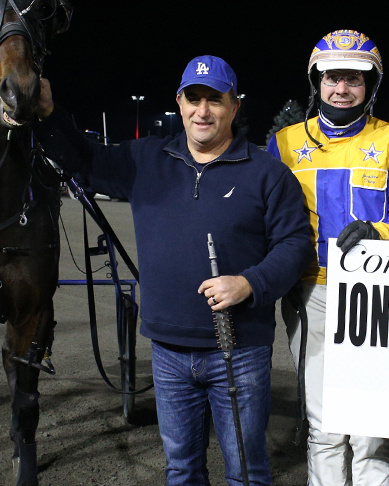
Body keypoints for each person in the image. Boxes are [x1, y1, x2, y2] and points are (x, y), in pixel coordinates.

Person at [33, 55, 314, 485]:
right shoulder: (146, 158)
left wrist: (249, 283)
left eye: (215, 100)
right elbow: (83, 161)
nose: (203, 111)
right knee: (181, 469)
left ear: (234, 107)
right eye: (194, 98)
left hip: (239, 351)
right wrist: (50, 114)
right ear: (179, 103)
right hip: (167, 353)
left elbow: (295, 245)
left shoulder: (268, 174)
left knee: (247, 472)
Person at [267, 29, 389, 486]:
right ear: (316, 81)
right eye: (333, 78)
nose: (342, 89)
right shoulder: (284, 143)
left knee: (372, 429)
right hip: (310, 291)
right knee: (326, 422)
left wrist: (378, 231)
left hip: (376, 297)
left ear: (370, 86)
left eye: (354, 79)